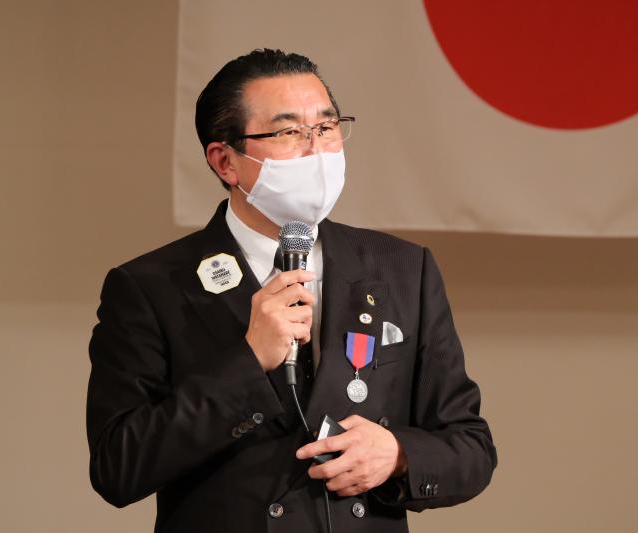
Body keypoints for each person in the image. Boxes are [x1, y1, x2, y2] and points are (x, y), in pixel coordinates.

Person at [86, 48, 496, 533]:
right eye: (288, 133)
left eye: (326, 127)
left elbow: (471, 447)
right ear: (225, 161)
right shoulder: (151, 286)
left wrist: (398, 455)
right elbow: (118, 468)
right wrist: (247, 362)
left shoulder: (402, 269)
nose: (316, 150)